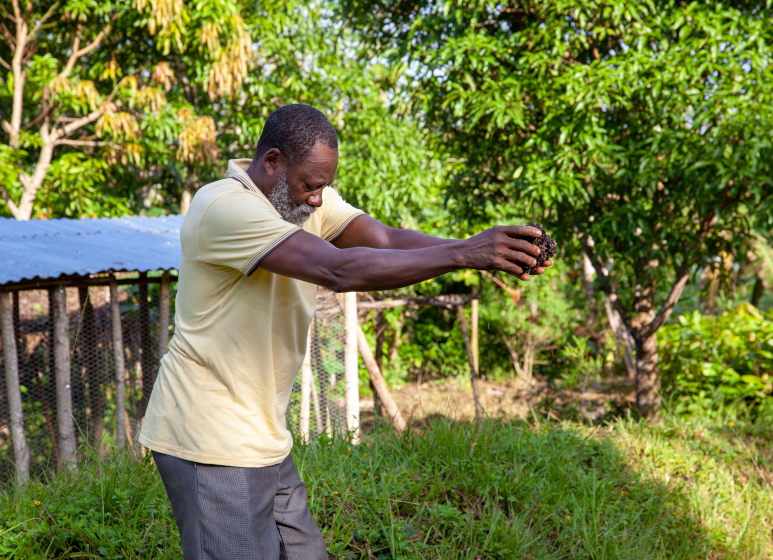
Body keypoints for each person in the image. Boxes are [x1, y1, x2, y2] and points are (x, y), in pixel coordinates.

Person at [137, 104, 550, 560]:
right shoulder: (223, 206)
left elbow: (387, 240)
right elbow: (337, 270)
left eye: (323, 187)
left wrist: (486, 248)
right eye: (310, 185)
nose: (317, 199)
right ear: (272, 162)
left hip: (263, 435)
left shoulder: (301, 200)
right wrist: (466, 255)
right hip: (209, 438)